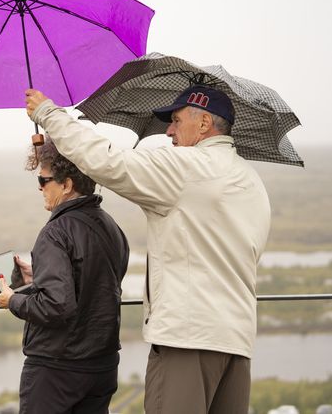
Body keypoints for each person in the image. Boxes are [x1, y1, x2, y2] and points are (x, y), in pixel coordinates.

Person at [25, 85, 271, 414]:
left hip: (187, 339)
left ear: (204, 123)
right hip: (236, 343)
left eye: (176, 120)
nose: (168, 130)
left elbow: (108, 161)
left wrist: (48, 114)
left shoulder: (187, 168)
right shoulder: (251, 181)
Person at [0, 139, 129, 414]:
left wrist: (12, 300)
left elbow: (57, 306)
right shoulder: (111, 226)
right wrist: (39, 276)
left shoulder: (56, 232)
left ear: (66, 185)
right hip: (102, 364)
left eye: (43, 180)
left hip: (58, 367)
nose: (40, 188)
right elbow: (96, 282)